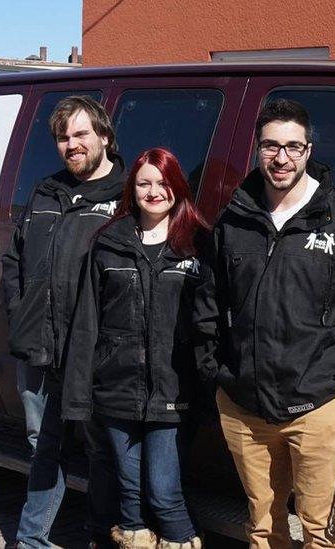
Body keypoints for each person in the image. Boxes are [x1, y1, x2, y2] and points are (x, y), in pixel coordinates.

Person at [197, 98, 335, 549]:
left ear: (309, 150)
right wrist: (217, 376)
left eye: (293, 147)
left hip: (319, 408)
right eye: (271, 146)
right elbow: (208, 304)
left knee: (321, 535)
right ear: (257, 149)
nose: (281, 158)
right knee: (263, 529)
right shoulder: (235, 220)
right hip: (245, 407)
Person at [63, 148, 208, 549]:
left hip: (173, 392)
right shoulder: (109, 243)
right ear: (132, 189)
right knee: (129, 498)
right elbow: (86, 323)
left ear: (177, 186)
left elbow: (214, 321)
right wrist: (78, 398)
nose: (154, 191)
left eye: (163, 183)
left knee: (163, 493)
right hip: (115, 391)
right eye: (144, 183)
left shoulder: (199, 245)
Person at [1, 95, 126, 549]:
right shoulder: (45, 192)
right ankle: (31, 539)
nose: (71, 144)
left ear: (105, 138)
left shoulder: (127, 198)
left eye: (80, 134)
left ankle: (99, 535)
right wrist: (19, 318)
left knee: (101, 450)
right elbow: (15, 261)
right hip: (39, 347)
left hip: (94, 355)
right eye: (62, 137)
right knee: (42, 446)